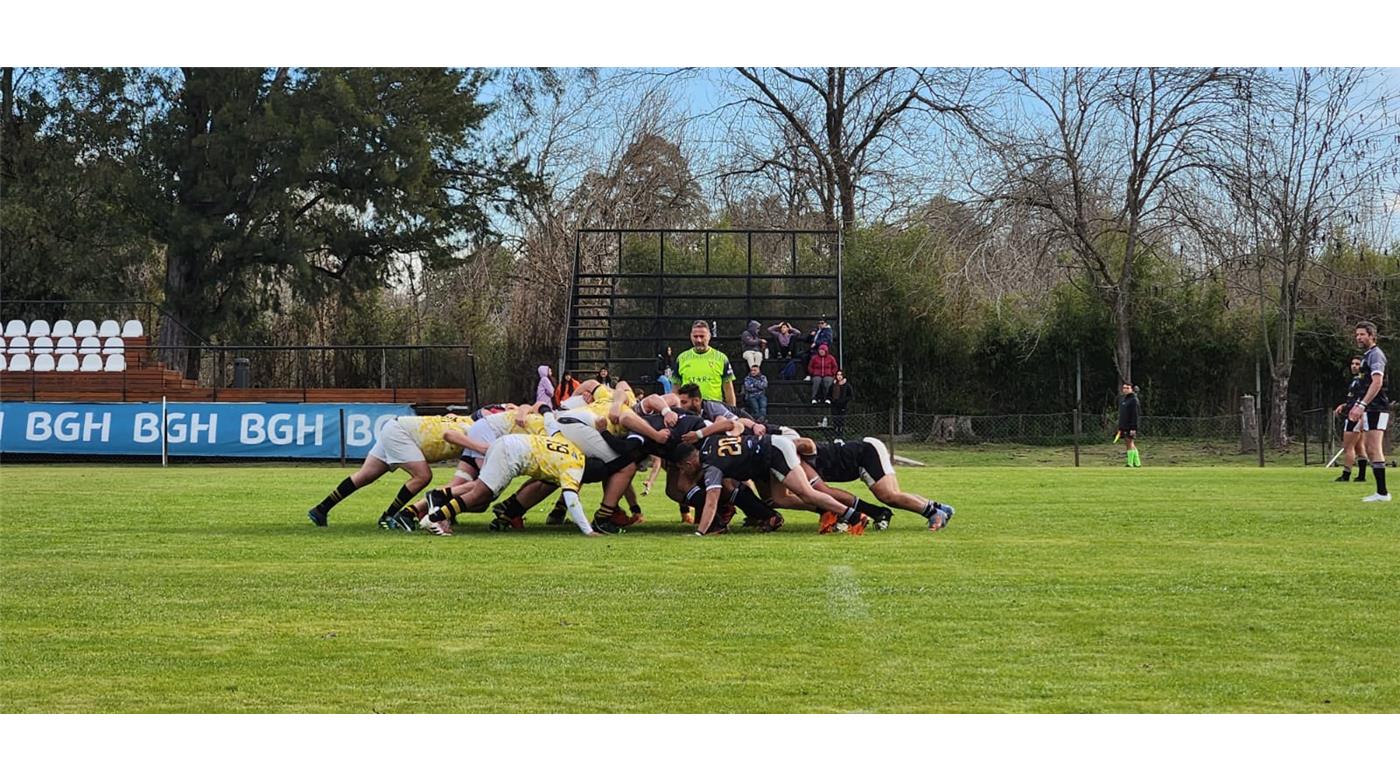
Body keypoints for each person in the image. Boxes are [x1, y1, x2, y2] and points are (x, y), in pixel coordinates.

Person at [307, 415, 485, 528]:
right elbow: (450, 436)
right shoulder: (474, 431)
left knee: (365, 476)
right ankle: (390, 516)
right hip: (401, 433)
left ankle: (321, 509)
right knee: (422, 476)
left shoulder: (469, 421)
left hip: (397, 427)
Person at [419, 432, 598, 536]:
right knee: (480, 495)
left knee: (484, 495)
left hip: (506, 442)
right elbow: (572, 501)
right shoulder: (574, 469)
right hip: (510, 455)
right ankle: (435, 518)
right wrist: (588, 531)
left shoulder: (572, 448)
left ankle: (502, 519)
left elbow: (552, 425)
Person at [796, 437, 954, 532]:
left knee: (889, 495)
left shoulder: (795, 456)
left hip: (864, 454)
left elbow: (808, 443)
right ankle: (940, 508)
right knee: (893, 494)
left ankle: (934, 513)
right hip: (863, 454)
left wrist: (845, 512)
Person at [1348, 321, 1390, 502]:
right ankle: (1381, 492)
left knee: (1374, 448)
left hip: (1377, 407)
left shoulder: (1376, 355)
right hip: (1370, 407)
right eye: (1357, 334)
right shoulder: (1367, 356)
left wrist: (1363, 404)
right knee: (1371, 449)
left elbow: (1377, 382)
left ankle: (1382, 493)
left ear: (1372, 336)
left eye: (1362, 334)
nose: (1359, 337)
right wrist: (1358, 404)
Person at [675, 319, 737, 405]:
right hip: (689, 409)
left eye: (702, 336)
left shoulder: (721, 358)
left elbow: (728, 389)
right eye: (695, 336)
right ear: (691, 336)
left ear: (709, 336)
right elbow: (676, 388)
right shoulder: (681, 358)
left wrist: (733, 411)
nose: (699, 340)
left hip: (715, 408)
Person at [1334, 355, 1369, 483]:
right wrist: (1344, 405)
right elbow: (1354, 399)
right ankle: (1361, 475)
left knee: (1348, 446)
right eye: (1353, 363)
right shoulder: (1356, 380)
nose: (1354, 366)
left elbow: (1363, 399)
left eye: (1357, 364)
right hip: (1353, 413)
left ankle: (1346, 474)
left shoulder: (1363, 381)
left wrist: (1360, 413)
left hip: (1355, 416)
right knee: (1359, 446)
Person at [1117, 382, 1140, 468]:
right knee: (1129, 443)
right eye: (1124, 388)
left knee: (1130, 442)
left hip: (1130, 426)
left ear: (1131, 389)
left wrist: (1133, 427)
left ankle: (1130, 463)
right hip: (1124, 425)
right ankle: (1137, 462)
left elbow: (1135, 415)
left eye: (1127, 388)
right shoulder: (1124, 400)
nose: (1125, 390)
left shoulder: (1133, 400)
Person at [829, 370, 853, 435]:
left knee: (841, 419)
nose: (839, 376)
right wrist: (832, 400)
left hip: (843, 405)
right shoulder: (833, 385)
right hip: (834, 405)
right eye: (838, 375)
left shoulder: (847, 385)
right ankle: (835, 431)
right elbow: (829, 394)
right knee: (835, 419)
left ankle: (841, 432)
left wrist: (844, 401)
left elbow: (850, 395)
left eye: (840, 375)